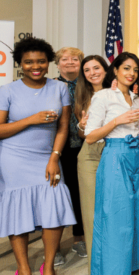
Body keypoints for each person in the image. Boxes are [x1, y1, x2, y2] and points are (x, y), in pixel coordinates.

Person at [0, 37, 76, 275]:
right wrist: (31, 119)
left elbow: (62, 126)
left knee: (53, 209)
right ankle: (23, 270)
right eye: (28, 62)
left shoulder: (58, 89)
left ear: (49, 63)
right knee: (19, 213)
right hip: (13, 159)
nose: (35, 66)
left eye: (41, 61)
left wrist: (54, 157)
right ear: (20, 64)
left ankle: (48, 267)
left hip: (46, 157)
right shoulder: (7, 91)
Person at [84, 53, 139, 275]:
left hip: (137, 156)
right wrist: (117, 120)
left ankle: (122, 274)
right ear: (114, 70)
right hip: (115, 156)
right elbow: (91, 136)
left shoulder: (137, 99)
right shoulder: (103, 96)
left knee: (135, 217)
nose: (131, 73)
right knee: (113, 217)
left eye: (135, 70)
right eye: (126, 68)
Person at [73, 56, 108, 269]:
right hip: (89, 155)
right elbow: (81, 134)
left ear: (106, 69)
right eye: (87, 69)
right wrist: (82, 125)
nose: (92, 72)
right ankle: (97, 263)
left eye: (96, 67)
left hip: (114, 152)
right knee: (91, 210)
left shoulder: (119, 92)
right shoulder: (82, 96)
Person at [55, 46, 87, 263]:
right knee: (55, 195)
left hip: (84, 147)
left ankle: (78, 238)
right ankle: (54, 246)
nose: (69, 62)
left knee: (80, 194)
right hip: (57, 148)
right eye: (64, 59)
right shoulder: (50, 86)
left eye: (74, 59)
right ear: (57, 64)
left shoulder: (89, 86)